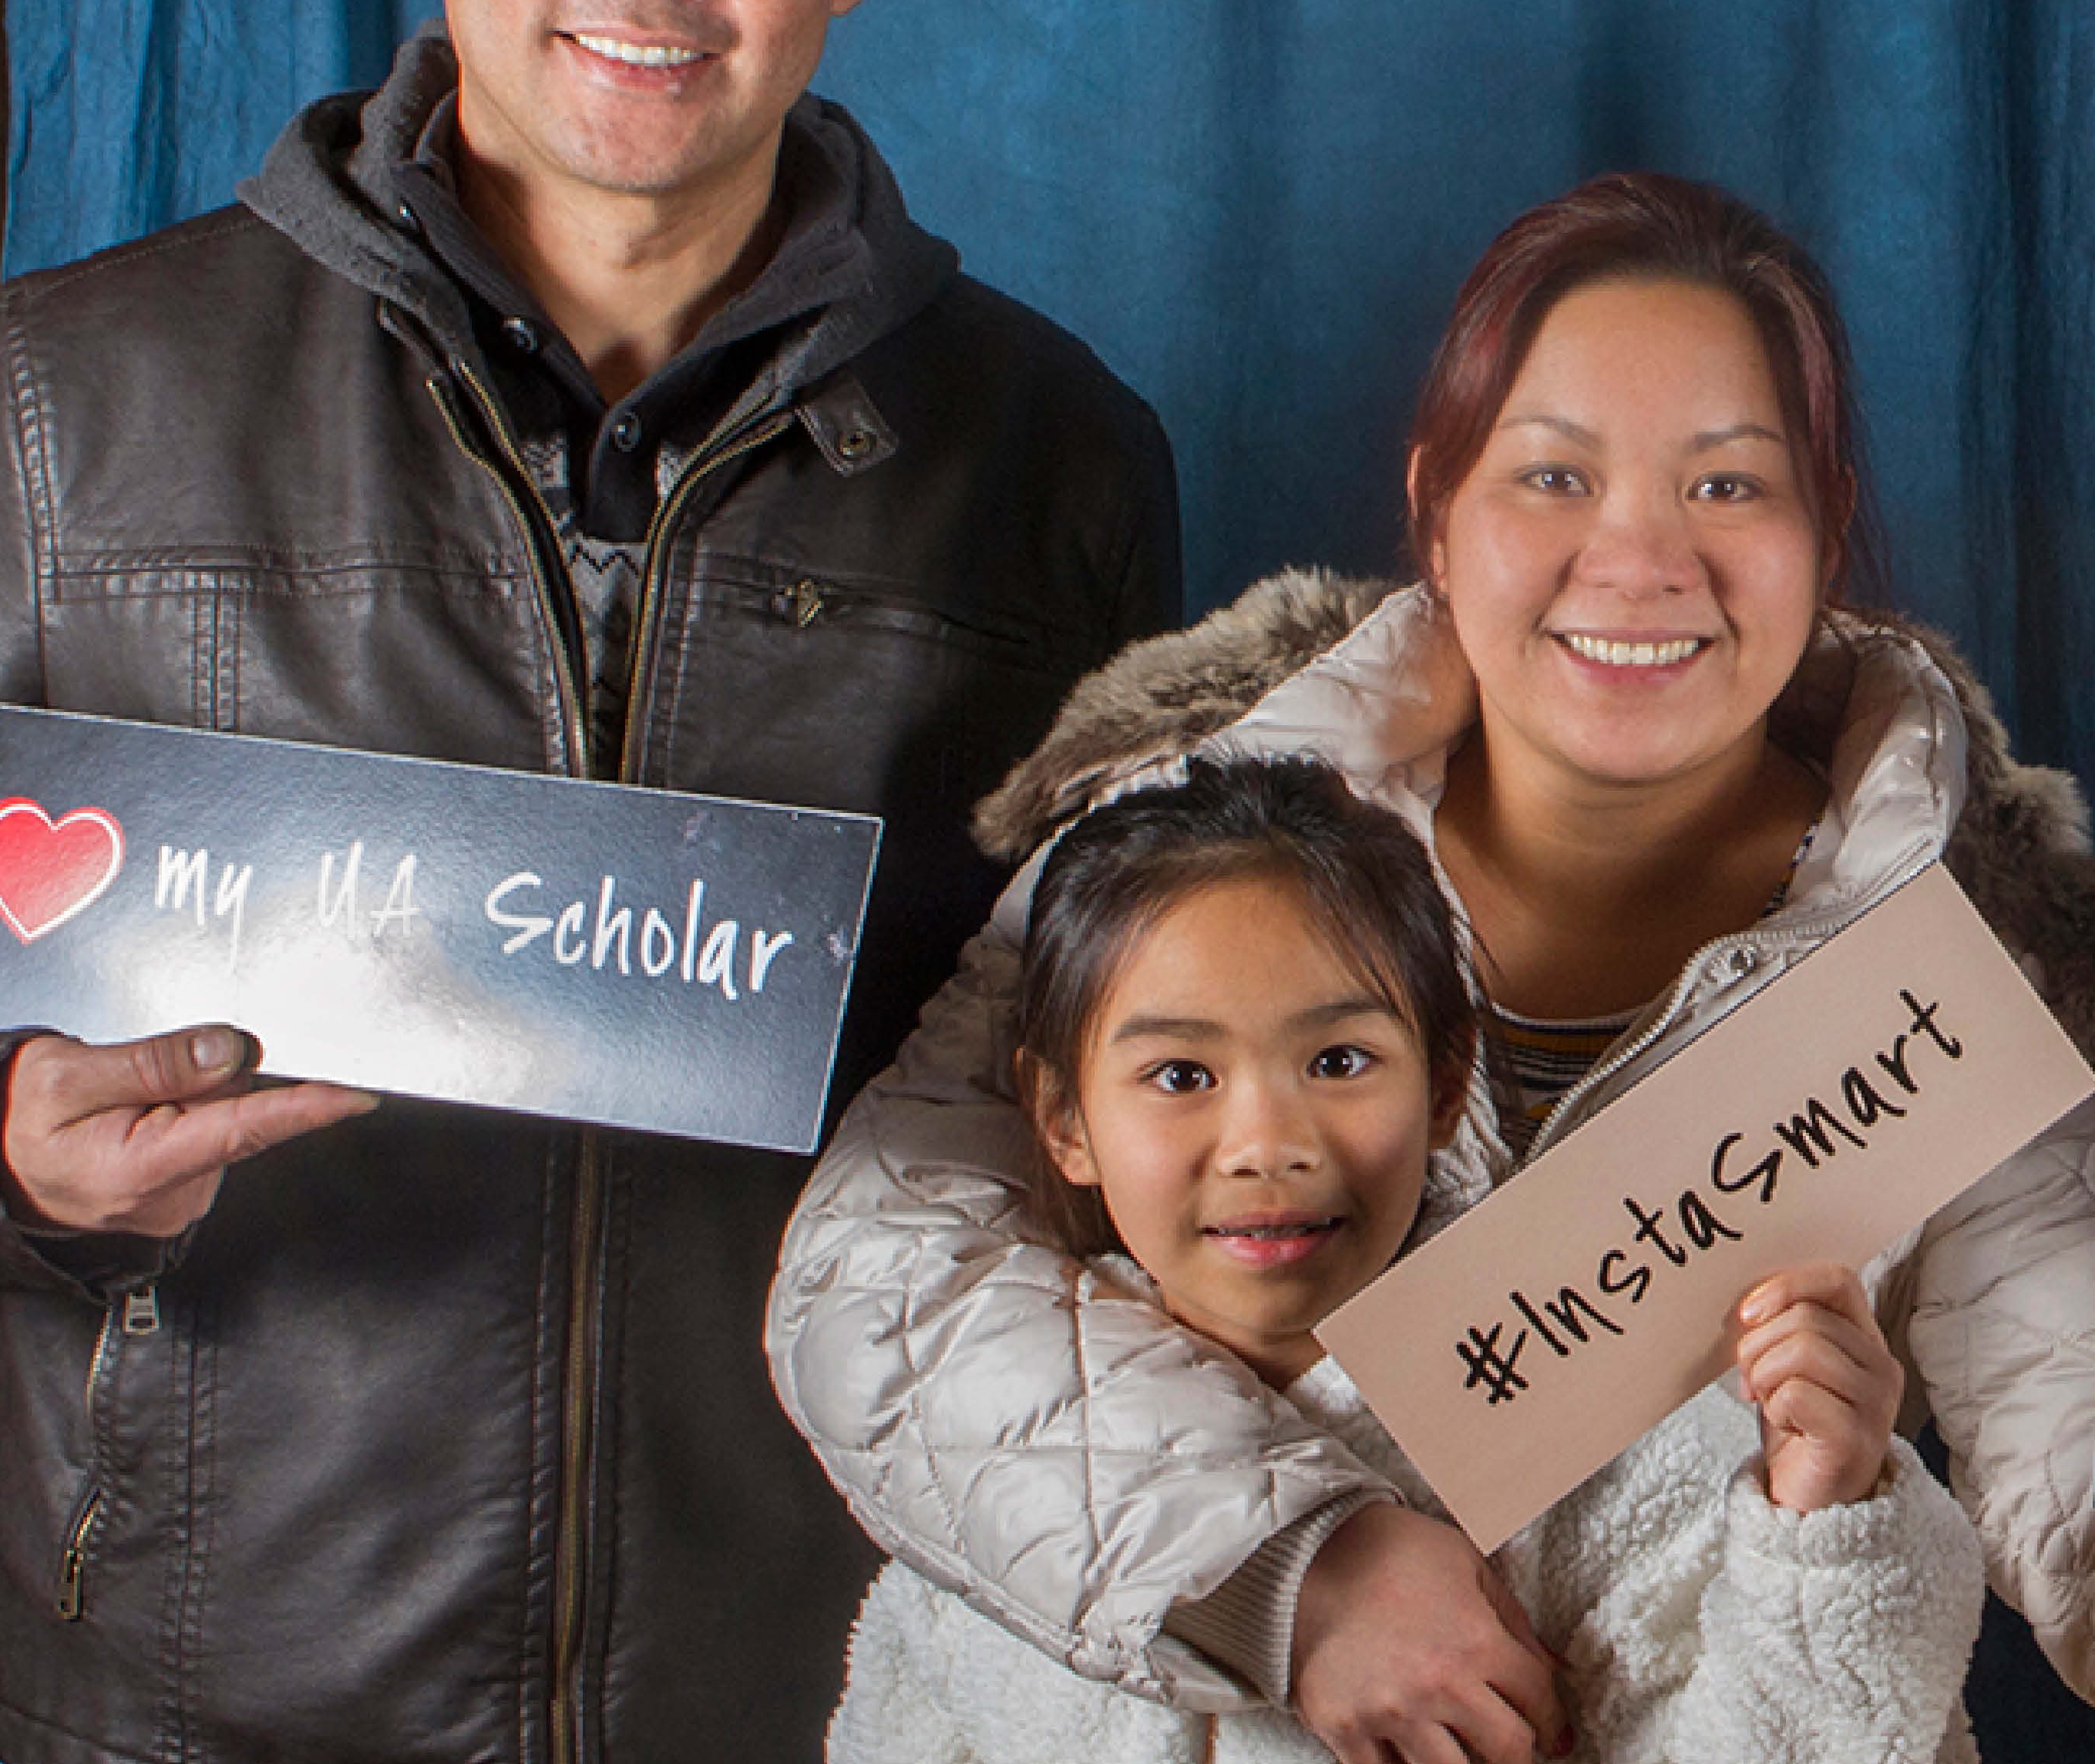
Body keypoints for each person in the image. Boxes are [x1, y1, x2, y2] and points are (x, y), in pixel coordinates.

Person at [773, 171, 2095, 1764]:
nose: (1637, 558)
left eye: (1726, 482)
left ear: (1827, 531)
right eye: (1554, 473)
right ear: (1436, 512)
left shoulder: (1937, 998)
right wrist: (1307, 1564)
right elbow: (881, 1278)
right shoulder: (1181, 849)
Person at [0, 0, 1181, 1760]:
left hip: (828, 1690)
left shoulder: (1052, 461)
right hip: (200, 1696)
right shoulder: (82, 396)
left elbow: (1132, 1062)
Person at [830, 754, 1986, 1762]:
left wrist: (1823, 1526)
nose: (1267, 1145)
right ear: (1063, 1119)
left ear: (1443, 1086)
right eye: (1181, 1077)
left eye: (1338, 1062)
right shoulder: (998, 1491)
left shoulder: (1607, 1431)